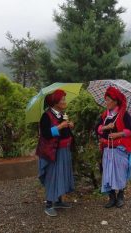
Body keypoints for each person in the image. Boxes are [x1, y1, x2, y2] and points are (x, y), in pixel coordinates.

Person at [36, 89, 75, 217]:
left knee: (62, 174)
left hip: (64, 150)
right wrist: (60, 127)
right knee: (53, 176)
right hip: (53, 152)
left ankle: (58, 201)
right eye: (62, 99)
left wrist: (69, 125)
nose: (64, 101)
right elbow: (45, 134)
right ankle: (48, 205)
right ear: (55, 102)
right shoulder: (46, 116)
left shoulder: (62, 114)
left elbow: (64, 130)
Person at [95, 86, 131, 208]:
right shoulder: (104, 115)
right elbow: (97, 129)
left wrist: (118, 133)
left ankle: (120, 196)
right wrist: (106, 127)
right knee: (108, 173)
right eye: (105, 100)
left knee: (120, 173)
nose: (106, 102)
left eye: (108, 100)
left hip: (119, 149)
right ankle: (111, 197)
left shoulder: (124, 114)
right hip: (107, 149)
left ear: (115, 101)